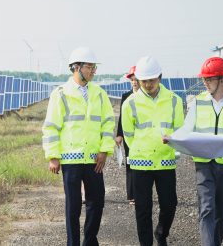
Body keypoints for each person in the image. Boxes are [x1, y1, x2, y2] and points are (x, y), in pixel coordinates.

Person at [42, 47, 115, 246]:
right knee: (73, 207)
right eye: (90, 67)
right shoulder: (61, 94)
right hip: (71, 159)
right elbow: (51, 127)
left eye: (94, 67)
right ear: (76, 67)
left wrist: (104, 150)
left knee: (97, 202)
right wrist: (53, 156)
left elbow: (108, 123)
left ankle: (89, 241)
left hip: (94, 159)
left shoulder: (99, 94)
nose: (93, 71)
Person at [175, 57, 223, 246]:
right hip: (203, 162)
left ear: (222, 79)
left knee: (221, 211)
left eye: (209, 79)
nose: (205, 83)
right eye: (204, 79)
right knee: (207, 208)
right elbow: (186, 128)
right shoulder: (198, 102)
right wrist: (172, 137)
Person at [121, 56, 184, 246]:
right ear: (139, 80)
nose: (148, 84)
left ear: (160, 77)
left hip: (165, 161)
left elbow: (180, 130)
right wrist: (143, 149)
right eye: (144, 80)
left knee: (169, 205)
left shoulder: (174, 100)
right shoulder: (130, 103)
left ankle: (161, 233)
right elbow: (129, 135)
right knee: (142, 210)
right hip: (141, 164)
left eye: (151, 80)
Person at [116, 66, 140, 205]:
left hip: (142, 136)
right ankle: (132, 195)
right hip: (128, 135)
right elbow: (122, 117)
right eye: (132, 80)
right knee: (130, 163)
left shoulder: (146, 97)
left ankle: (141, 192)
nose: (134, 82)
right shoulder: (125, 96)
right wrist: (119, 134)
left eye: (136, 80)